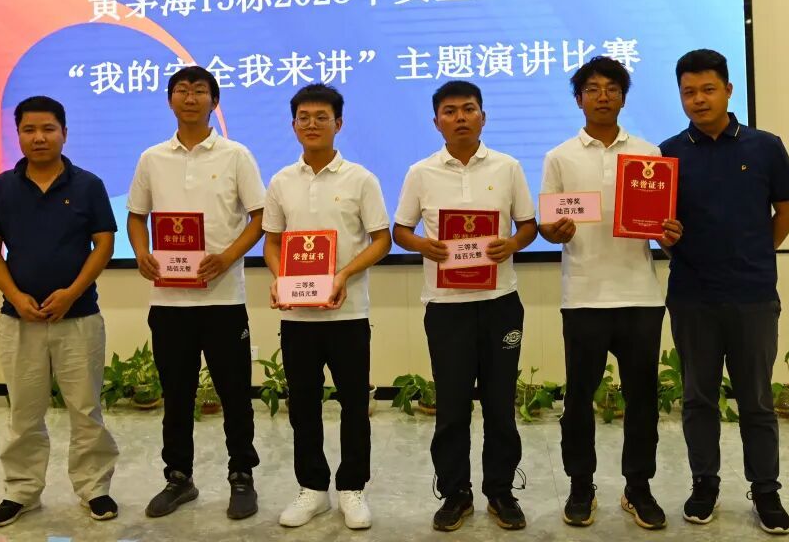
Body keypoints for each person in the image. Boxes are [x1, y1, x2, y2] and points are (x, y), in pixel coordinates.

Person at [659, 49, 789, 536]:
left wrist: (756, 252)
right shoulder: (668, 153)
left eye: (707, 89)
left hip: (752, 295)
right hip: (692, 295)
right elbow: (660, 227)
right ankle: (704, 484)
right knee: (698, 398)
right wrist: (669, 238)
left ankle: (765, 490)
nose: (698, 99)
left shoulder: (765, 146)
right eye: (688, 92)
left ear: (728, 90)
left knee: (756, 400)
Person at [538, 56, 682, 530]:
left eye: (612, 88)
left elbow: (661, 221)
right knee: (579, 398)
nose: (603, 96)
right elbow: (548, 225)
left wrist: (668, 231)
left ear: (623, 97)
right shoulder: (559, 156)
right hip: (583, 295)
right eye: (593, 89)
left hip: (640, 294)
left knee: (642, 398)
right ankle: (581, 486)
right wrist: (555, 231)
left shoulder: (647, 153)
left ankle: (638, 488)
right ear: (578, 99)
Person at [392, 80, 538, 532]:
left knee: (500, 405)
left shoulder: (508, 167)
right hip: (446, 306)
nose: (460, 117)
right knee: (452, 407)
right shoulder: (421, 172)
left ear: (483, 117)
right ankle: (455, 493)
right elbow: (400, 230)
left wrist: (511, 243)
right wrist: (424, 245)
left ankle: (501, 491)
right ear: (436, 121)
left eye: (469, 109)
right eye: (450, 111)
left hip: (499, 303)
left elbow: (528, 225)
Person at [127, 66, 266, 521]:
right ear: (170, 100)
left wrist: (226, 258)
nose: (190, 97)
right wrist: (142, 253)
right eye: (182, 90)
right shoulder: (152, 158)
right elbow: (136, 216)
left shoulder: (236, 155)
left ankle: (241, 477)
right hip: (169, 302)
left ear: (214, 101)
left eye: (200, 90)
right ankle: (178, 478)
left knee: (234, 394)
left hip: (223, 300)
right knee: (176, 394)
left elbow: (260, 217)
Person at [0, 95, 119, 527]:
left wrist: (72, 293)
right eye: (29, 129)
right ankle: (20, 491)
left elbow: (104, 244)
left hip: (79, 317)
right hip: (18, 318)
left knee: (86, 410)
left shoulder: (88, 185)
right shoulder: (1, 187)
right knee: (24, 412)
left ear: (64, 133)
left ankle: (94, 489)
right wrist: (16, 295)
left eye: (48, 129)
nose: (38, 137)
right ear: (18, 135)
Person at [262, 83, 391, 530]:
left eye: (322, 117)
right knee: (303, 404)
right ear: (293, 124)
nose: (312, 124)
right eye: (304, 117)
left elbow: (381, 240)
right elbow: (272, 242)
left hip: (347, 313)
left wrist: (343, 275)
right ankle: (313, 488)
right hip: (297, 316)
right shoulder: (281, 181)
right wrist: (279, 277)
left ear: (339, 123)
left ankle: (352, 487)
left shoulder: (361, 179)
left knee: (354, 403)